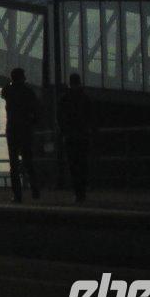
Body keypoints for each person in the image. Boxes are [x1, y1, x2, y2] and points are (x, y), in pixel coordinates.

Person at [1, 67, 40, 202]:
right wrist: (33, 122)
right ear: (22, 77)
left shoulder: (8, 91)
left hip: (12, 129)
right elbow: (36, 109)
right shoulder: (28, 91)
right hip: (25, 129)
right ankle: (35, 190)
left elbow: (3, 92)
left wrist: (9, 82)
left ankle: (17, 195)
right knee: (28, 161)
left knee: (14, 164)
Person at [59, 72, 92, 203]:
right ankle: (82, 192)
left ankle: (77, 193)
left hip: (70, 136)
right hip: (83, 135)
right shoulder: (85, 98)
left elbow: (60, 117)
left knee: (73, 165)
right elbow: (91, 116)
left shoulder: (64, 99)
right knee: (83, 164)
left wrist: (63, 131)